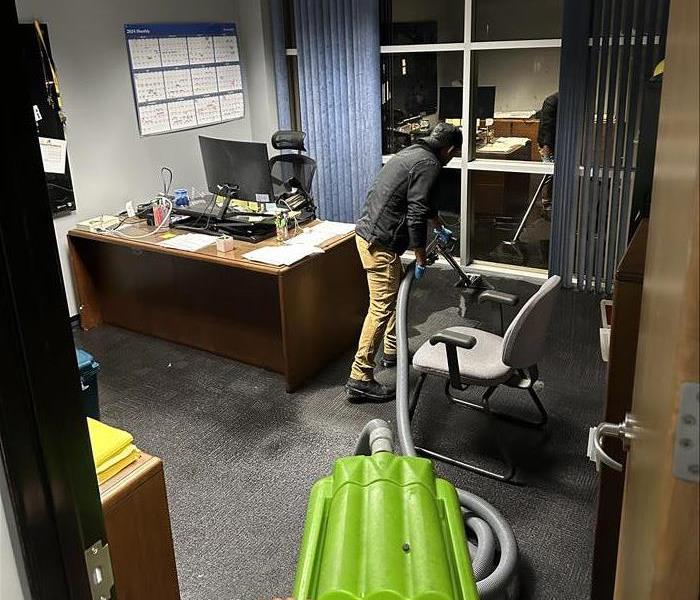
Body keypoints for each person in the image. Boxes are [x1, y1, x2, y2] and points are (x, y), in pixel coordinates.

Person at [346, 122, 462, 401]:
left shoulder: (414, 153)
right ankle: (359, 377)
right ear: (448, 149)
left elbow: (420, 200)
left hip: (372, 236)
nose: (452, 158)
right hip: (380, 244)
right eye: (454, 154)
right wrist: (420, 256)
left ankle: (392, 350)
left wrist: (439, 224)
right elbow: (416, 211)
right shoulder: (430, 164)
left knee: (394, 295)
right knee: (381, 308)